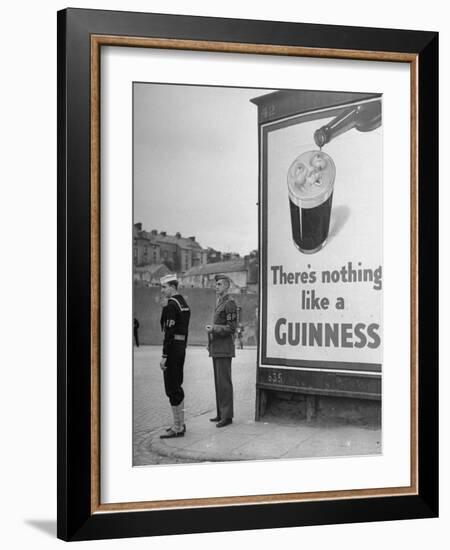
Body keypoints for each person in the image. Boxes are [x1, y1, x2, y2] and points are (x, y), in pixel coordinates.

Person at [158, 274, 191, 439]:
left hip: (172, 349)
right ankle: (180, 424)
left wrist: (164, 355)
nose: (162, 290)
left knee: (172, 387)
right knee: (177, 384)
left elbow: (168, 332)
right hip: (181, 347)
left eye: (164, 287)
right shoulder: (183, 303)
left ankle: (178, 427)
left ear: (172, 286)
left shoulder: (172, 305)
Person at [205, 274, 238, 428]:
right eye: (216, 284)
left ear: (226, 286)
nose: (216, 287)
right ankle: (220, 413)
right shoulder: (219, 303)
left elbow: (232, 328)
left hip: (224, 349)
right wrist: (210, 342)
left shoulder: (230, 304)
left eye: (219, 284)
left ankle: (227, 416)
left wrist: (214, 328)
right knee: (219, 383)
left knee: (224, 383)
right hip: (217, 348)